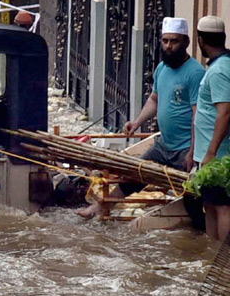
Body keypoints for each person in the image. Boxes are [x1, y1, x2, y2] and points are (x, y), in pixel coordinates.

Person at [78, 17, 203, 219]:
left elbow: (199, 115)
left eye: (174, 41)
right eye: (165, 41)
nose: (169, 46)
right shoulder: (162, 68)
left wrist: (193, 152)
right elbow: (154, 99)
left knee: (191, 192)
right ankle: (102, 207)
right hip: (164, 144)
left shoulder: (195, 73)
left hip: (185, 148)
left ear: (186, 42)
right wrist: (136, 122)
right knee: (135, 173)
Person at [188, 16, 230, 240]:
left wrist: (211, 152)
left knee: (222, 207)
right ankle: (212, 254)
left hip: (218, 156)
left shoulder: (220, 71)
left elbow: (225, 112)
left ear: (200, 40)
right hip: (208, 155)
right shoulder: (218, 67)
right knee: (210, 204)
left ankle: (223, 259)